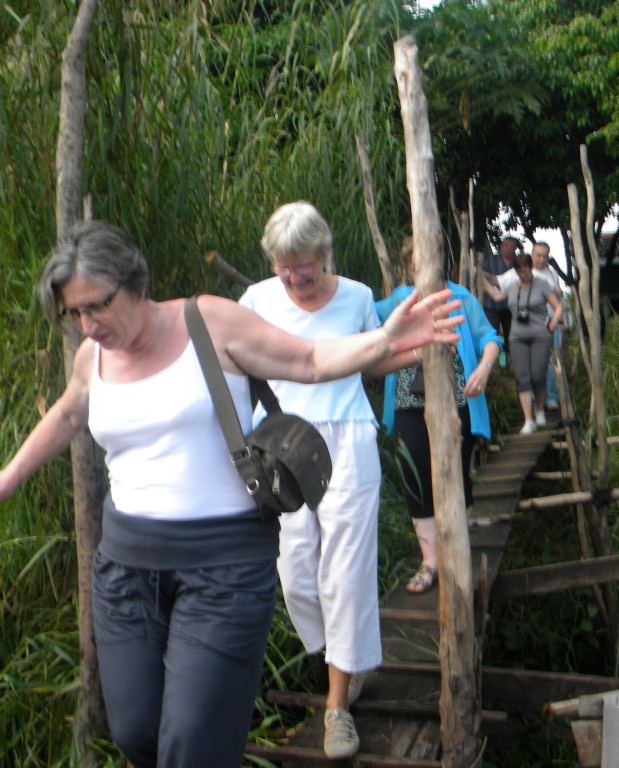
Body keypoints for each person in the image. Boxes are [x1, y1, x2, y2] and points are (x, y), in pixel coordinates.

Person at [0, 220, 463, 768]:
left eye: (96, 306)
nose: (87, 325)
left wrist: (387, 340)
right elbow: (70, 411)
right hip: (126, 568)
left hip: (223, 566)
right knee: (134, 732)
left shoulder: (208, 320)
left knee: (193, 743)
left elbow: (308, 360)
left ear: (134, 283)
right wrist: (9, 476)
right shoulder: (91, 357)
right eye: (73, 314)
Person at [238, 201, 414, 760]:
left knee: (345, 571)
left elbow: (370, 363)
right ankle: (346, 658)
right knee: (296, 574)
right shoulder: (257, 301)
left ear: (324, 254)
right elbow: (234, 361)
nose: (292, 279)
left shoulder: (359, 296)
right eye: (282, 267)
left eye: (303, 267)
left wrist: (407, 346)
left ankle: (338, 704)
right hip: (282, 444)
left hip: (347, 440)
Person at [375, 236, 501, 594]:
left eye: (432, 257)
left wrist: (485, 368)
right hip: (407, 407)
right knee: (416, 479)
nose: (427, 265)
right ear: (408, 267)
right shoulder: (397, 302)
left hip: (457, 403)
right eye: (418, 261)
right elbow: (361, 318)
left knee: (455, 476)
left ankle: (455, 552)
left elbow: (489, 337)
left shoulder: (461, 297)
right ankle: (430, 562)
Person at [482, 251, 562, 435]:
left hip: (540, 336)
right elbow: (496, 296)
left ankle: (540, 409)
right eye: (519, 272)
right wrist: (480, 277)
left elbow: (557, 307)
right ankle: (528, 419)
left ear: (530, 268)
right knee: (522, 377)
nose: (523, 275)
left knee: (537, 375)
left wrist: (552, 323)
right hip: (517, 337)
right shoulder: (512, 286)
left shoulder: (542, 284)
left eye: (525, 272)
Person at [529, 241, 564, 411]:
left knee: (552, 362)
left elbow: (559, 297)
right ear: (532, 255)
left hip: (552, 321)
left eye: (545, 256)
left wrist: (559, 294)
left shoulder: (552, 274)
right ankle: (535, 401)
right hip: (532, 323)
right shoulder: (524, 273)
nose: (541, 259)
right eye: (538, 255)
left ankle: (552, 398)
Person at [479, 235, 519, 359]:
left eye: (512, 247)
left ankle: (511, 360)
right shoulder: (490, 260)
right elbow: (481, 277)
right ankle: (491, 360)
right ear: (501, 247)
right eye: (506, 246)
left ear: (515, 249)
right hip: (491, 304)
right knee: (491, 332)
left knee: (512, 334)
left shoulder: (518, 264)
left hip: (510, 306)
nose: (508, 249)